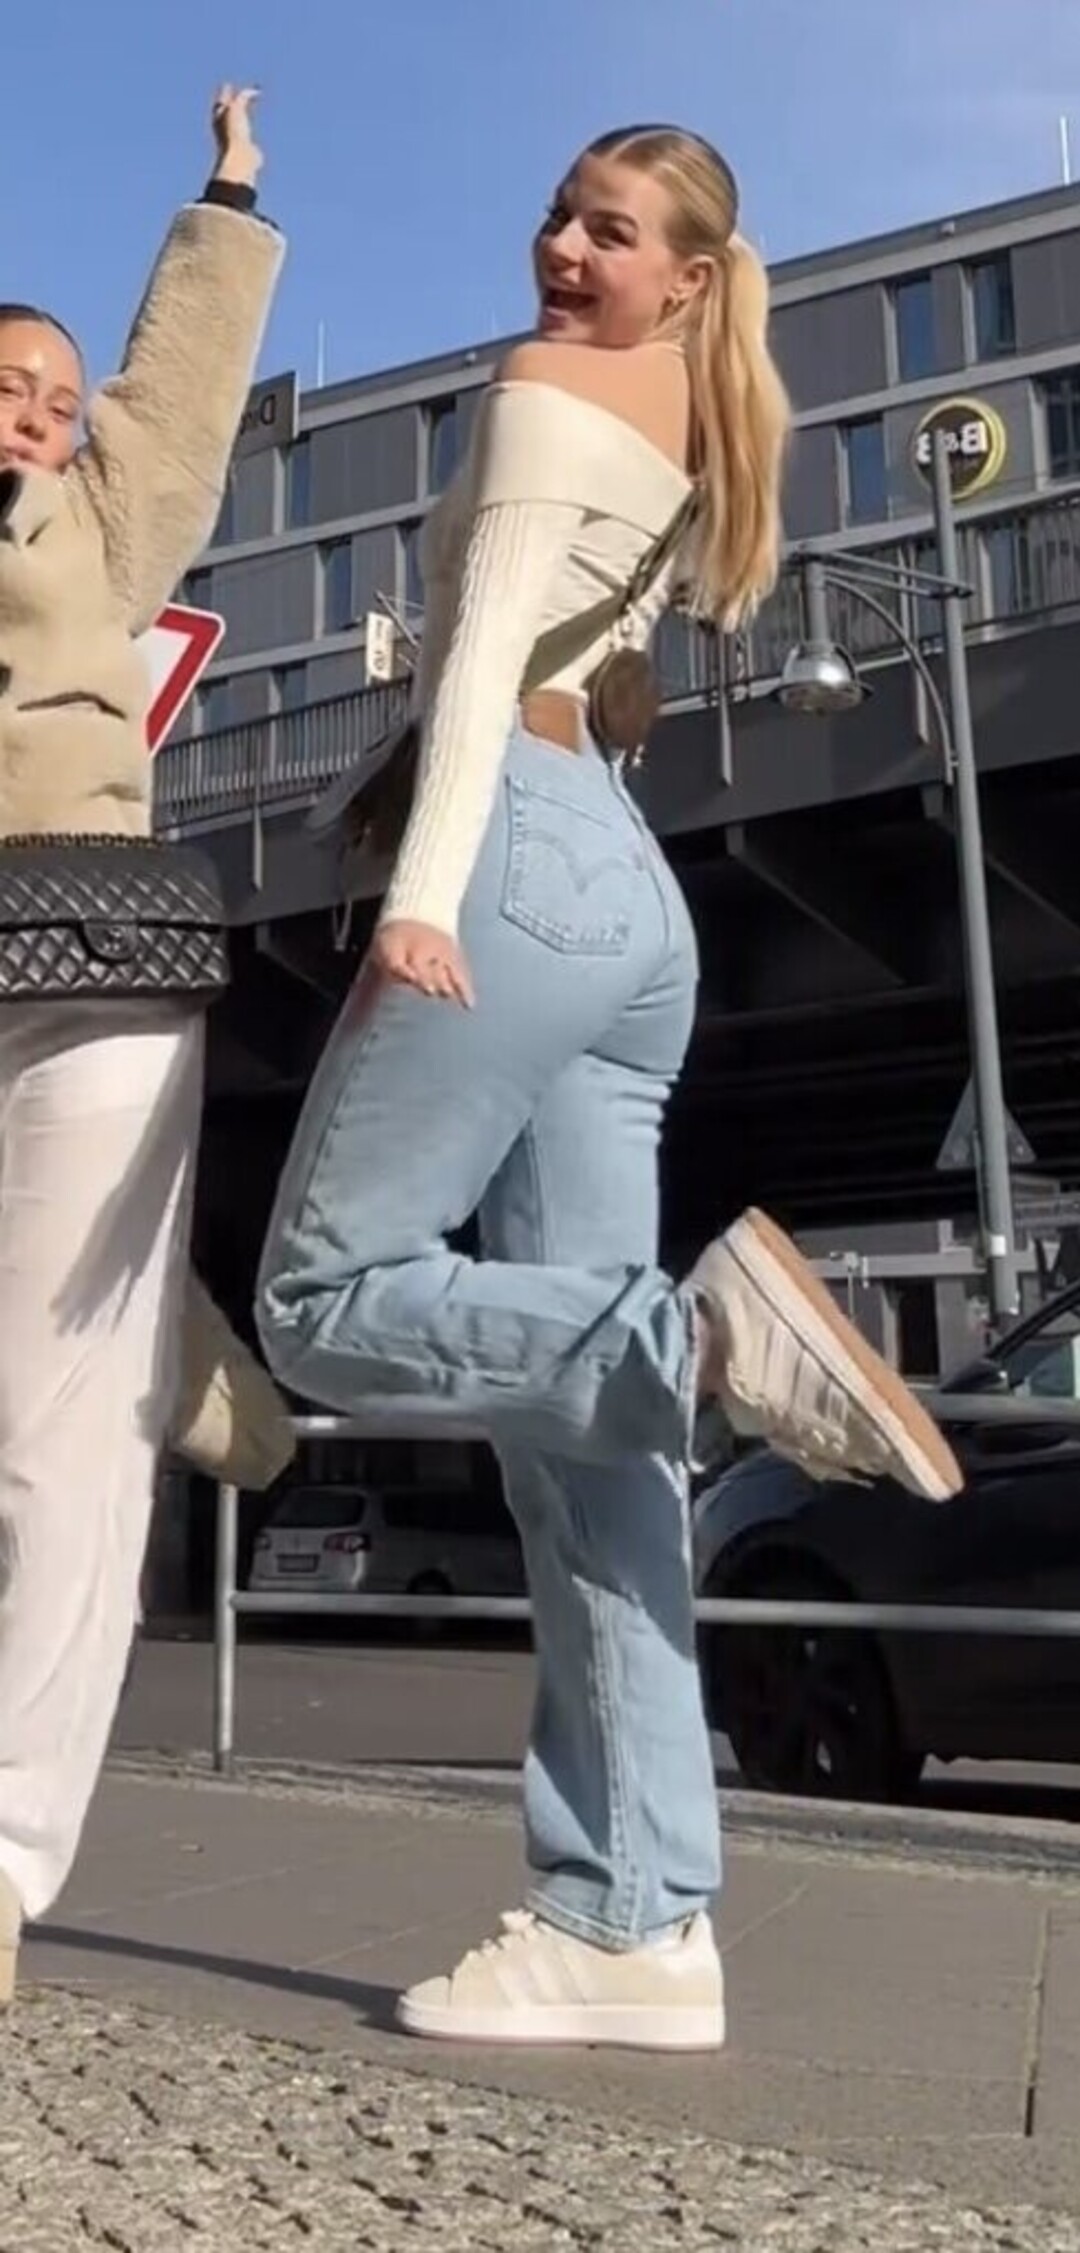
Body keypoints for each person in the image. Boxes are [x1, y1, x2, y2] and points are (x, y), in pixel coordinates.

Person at [257, 124, 961, 2052]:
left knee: (320, 1299)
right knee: (591, 1455)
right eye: (563, 213)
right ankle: (637, 1922)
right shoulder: (682, 419)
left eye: (614, 229)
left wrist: (419, 898)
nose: (564, 248)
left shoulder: (549, 385)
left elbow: (484, 646)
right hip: (623, 886)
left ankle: (701, 1337)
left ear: (689, 276)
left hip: (512, 851)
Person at [0, 87, 290, 2010]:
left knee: (62, 1438)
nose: (35, 411)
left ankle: (4, 1856)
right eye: (3, 389)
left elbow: (175, 398)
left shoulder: (95, 531)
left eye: (53, 393)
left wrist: (224, 195)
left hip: (87, 950)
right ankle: (171, 1338)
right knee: (49, 1349)